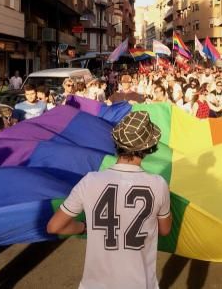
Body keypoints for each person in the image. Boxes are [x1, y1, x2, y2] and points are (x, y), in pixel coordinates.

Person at [47, 111, 171, 289]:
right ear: (147, 147)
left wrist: (83, 227)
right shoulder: (158, 185)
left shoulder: (90, 180)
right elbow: (165, 229)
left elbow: (54, 226)